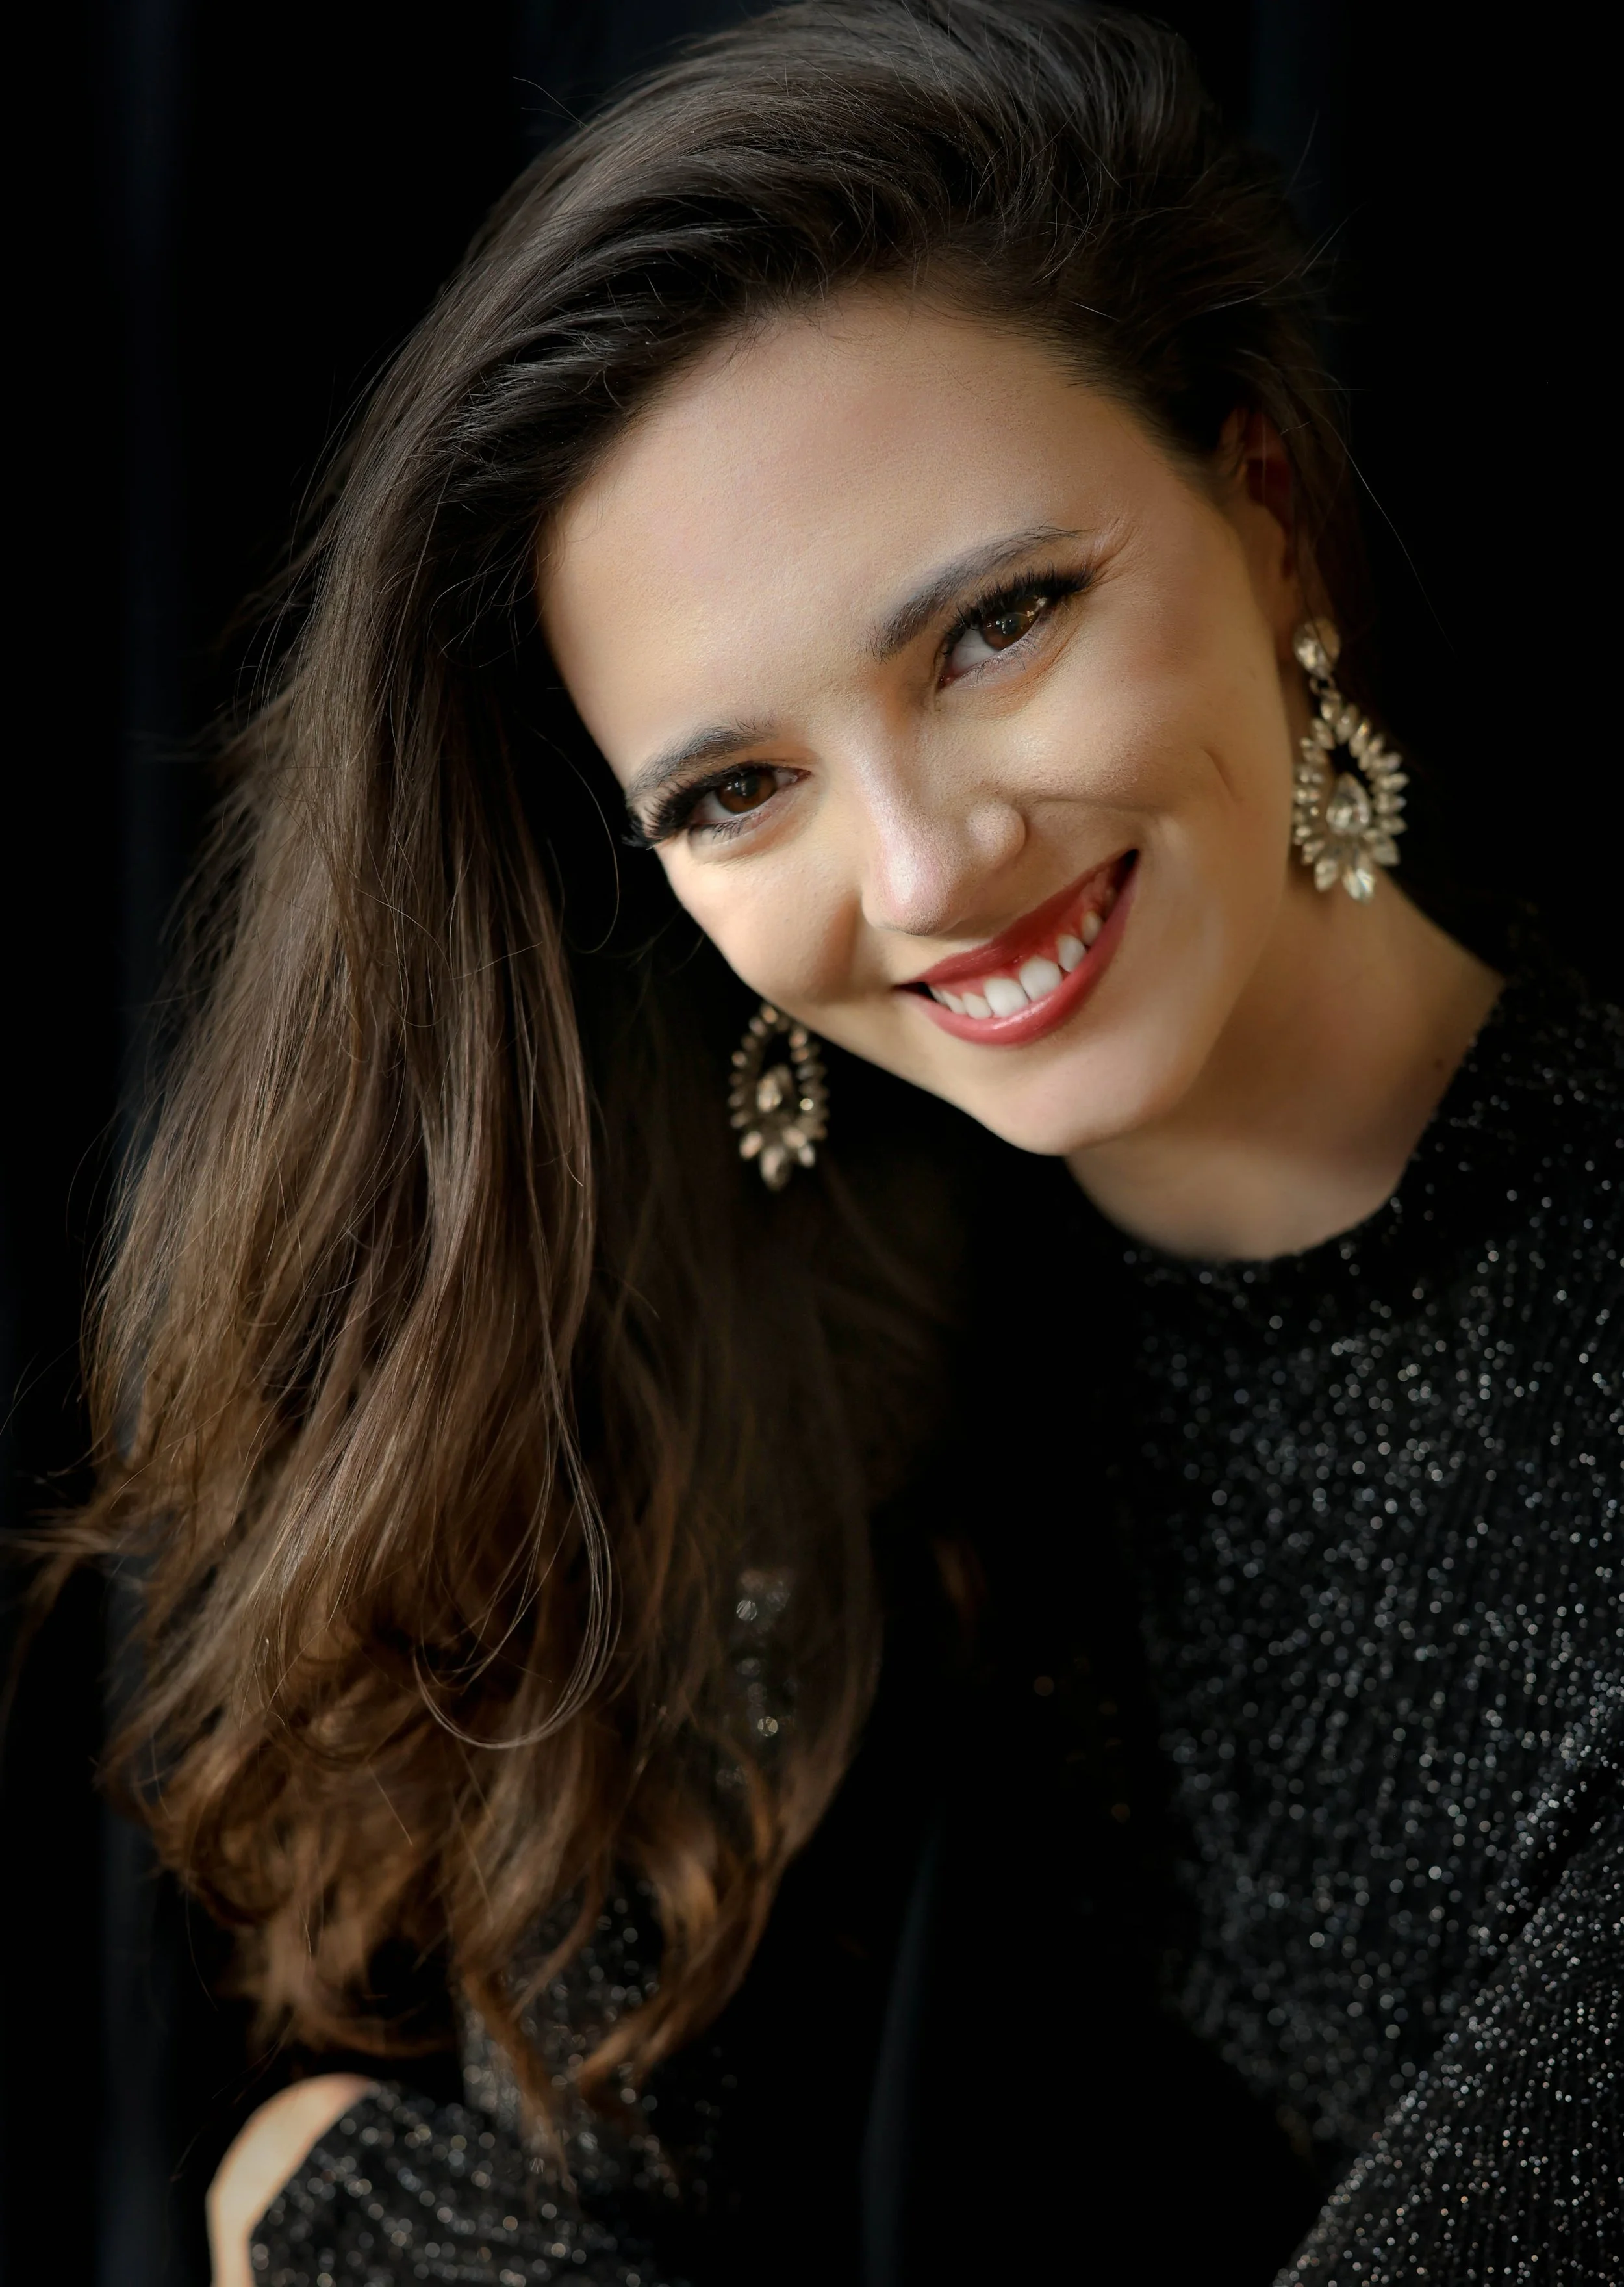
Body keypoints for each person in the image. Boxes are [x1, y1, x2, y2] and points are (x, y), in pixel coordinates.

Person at [58, 5, 1618, 2282]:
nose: (920, 870)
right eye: (734, 790)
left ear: (1267, 515)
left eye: (999, 625)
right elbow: (593, 2204)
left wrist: (322, 2202)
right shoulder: (838, 1293)